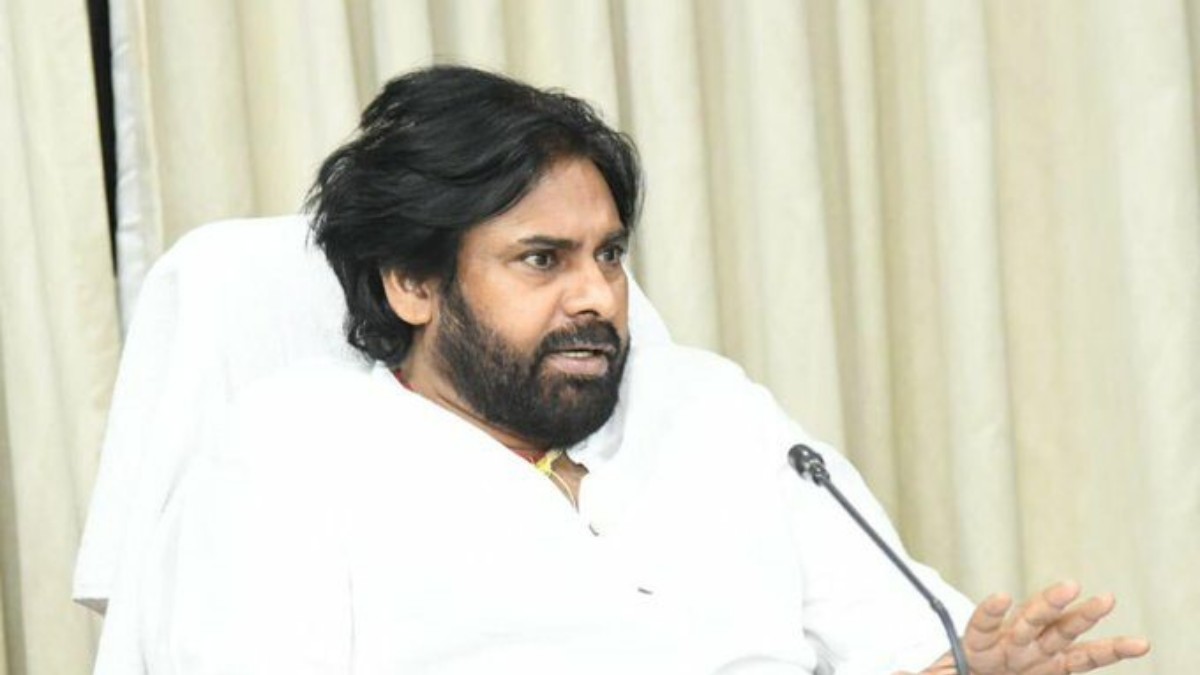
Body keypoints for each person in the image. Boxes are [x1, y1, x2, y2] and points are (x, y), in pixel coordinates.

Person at [121, 66, 1148, 674]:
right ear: (413, 283)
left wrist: (973, 667)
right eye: (542, 260)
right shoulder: (289, 454)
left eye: (608, 254)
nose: (597, 296)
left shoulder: (712, 408)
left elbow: (899, 642)